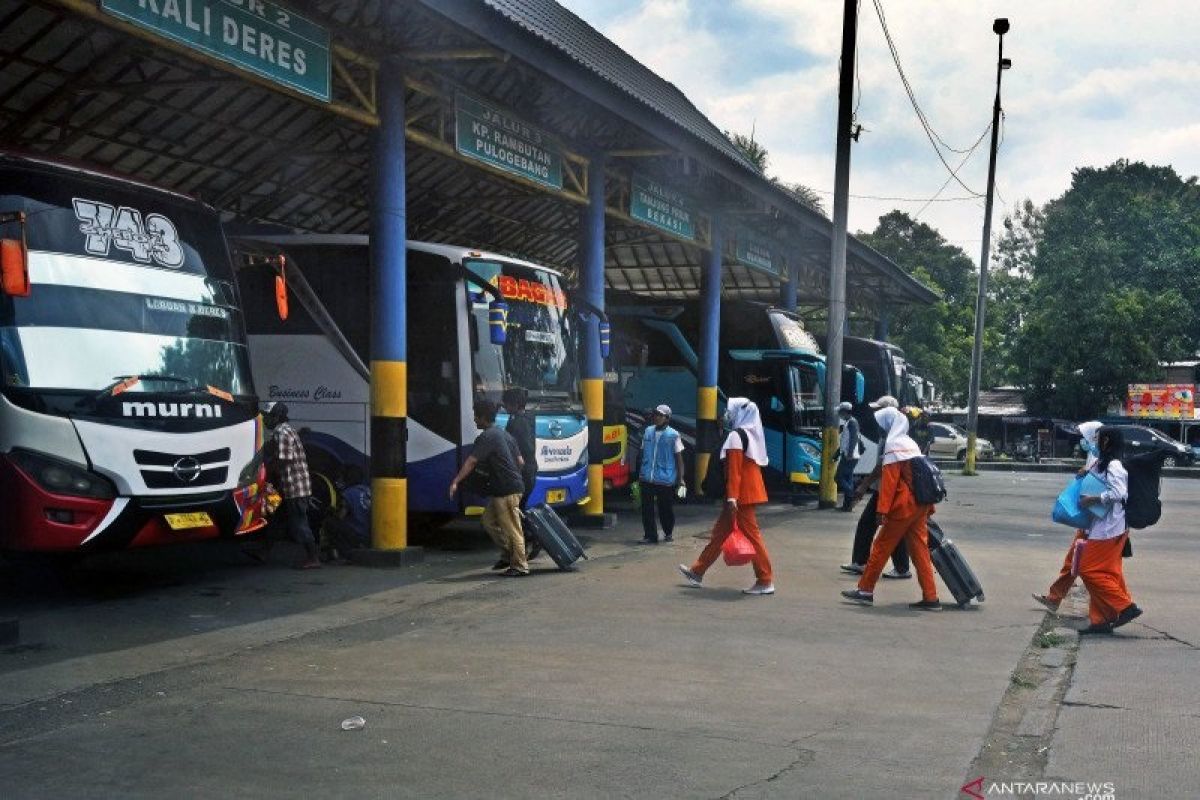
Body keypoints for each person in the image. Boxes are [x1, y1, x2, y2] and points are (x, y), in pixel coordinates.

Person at [841, 405, 940, 609]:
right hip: (920, 505)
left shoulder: (893, 445)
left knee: (880, 547)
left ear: (889, 425)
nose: (881, 430)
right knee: (920, 552)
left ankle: (865, 590)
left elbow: (889, 482)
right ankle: (931, 598)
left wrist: (881, 511)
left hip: (904, 507)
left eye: (882, 425)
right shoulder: (909, 443)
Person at [677, 397, 775, 595]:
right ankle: (697, 571)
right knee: (720, 533)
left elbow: (734, 471)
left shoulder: (736, 437)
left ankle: (765, 580)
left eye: (731, 411)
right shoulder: (750, 433)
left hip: (739, 496)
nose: (726, 415)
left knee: (752, 538)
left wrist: (731, 498)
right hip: (746, 493)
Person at [1074, 426, 1143, 634]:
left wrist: (1093, 499)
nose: (1094, 442)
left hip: (1109, 528)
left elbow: (1119, 493)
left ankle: (1125, 606)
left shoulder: (1115, 465)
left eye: (1098, 439)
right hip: (1102, 525)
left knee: (1087, 569)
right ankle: (1101, 620)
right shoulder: (1102, 463)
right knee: (1108, 572)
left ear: (1106, 442)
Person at [449, 399, 530, 577]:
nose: (474, 420)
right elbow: (521, 462)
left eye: (476, 416)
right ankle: (508, 554)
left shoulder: (487, 437)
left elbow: (471, 462)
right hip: (507, 488)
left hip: (507, 491)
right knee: (488, 521)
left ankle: (520, 565)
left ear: (483, 417)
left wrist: (456, 481)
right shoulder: (506, 435)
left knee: (512, 528)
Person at [1032, 420, 1101, 613]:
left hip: (1098, 523)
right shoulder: (1093, 454)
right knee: (1073, 562)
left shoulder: (1105, 457)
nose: (1083, 441)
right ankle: (1055, 597)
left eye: (1085, 437)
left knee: (1085, 566)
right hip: (1090, 521)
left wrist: (1087, 474)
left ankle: (1115, 605)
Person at [840, 395, 911, 579]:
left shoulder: (891, 438)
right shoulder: (888, 434)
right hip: (886, 489)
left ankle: (868, 565)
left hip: (890, 490)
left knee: (877, 526)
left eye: (879, 410)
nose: (875, 414)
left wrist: (863, 486)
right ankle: (893, 567)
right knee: (886, 528)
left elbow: (881, 466)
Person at [258, 402, 321, 570]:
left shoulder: (282, 432)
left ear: (277, 417)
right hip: (286, 486)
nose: (265, 420)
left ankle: (313, 557)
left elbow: (283, 459)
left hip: (295, 487)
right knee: (273, 516)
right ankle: (264, 551)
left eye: (268, 417)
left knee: (299, 523)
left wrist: (265, 473)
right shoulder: (285, 430)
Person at [637, 404, 685, 543]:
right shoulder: (648, 431)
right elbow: (642, 452)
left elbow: (679, 458)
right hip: (647, 477)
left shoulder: (673, 435)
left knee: (665, 509)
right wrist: (639, 472)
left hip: (665, 478)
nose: (657, 417)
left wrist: (681, 478)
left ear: (667, 418)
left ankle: (668, 532)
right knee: (647, 509)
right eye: (656, 414)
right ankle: (650, 536)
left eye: (660, 415)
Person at [502, 387, 538, 508]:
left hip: (522, 474)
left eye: (506, 404)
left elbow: (522, 450)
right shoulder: (529, 418)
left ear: (516, 405)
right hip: (530, 471)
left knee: (515, 509)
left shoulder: (517, 423)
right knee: (518, 509)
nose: (504, 407)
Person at [834, 401, 862, 511]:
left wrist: (849, 453)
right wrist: (836, 454)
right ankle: (847, 506)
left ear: (845, 412)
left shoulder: (852, 422)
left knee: (838, 477)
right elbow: (844, 442)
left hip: (850, 456)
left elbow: (854, 439)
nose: (839, 415)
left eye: (840, 412)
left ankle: (851, 494)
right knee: (847, 478)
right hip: (848, 455)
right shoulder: (848, 422)